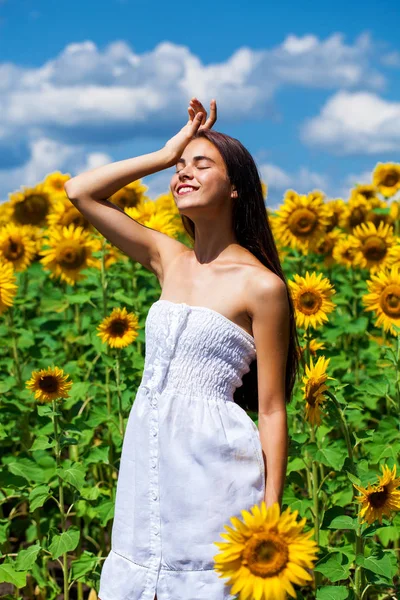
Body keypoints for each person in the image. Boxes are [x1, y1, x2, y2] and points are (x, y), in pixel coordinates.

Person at [64, 98, 299, 600]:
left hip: (217, 465)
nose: (182, 174)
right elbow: (80, 192)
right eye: (179, 167)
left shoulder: (261, 287)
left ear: (236, 187)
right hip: (150, 454)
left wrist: (273, 509)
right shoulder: (168, 258)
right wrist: (166, 149)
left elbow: (273, 408)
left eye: (201, 163)